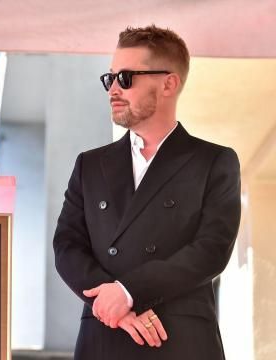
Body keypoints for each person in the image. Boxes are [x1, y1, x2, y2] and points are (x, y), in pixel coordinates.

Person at [53, 25, 241, 359]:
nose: (113, 88)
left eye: (125, 78)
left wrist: (128, 292)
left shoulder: (214, 161)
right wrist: (112, 304)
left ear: (169, 83)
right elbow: (67, 246)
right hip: (105, 334)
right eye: (108, 78)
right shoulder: (89, 165)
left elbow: (211, 250)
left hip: (179, 339)